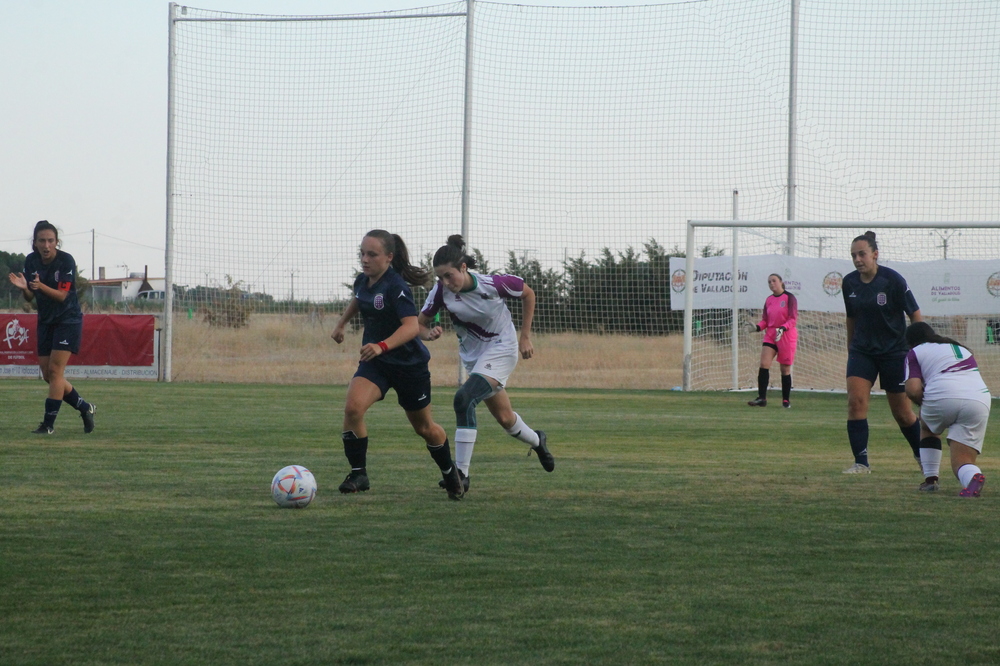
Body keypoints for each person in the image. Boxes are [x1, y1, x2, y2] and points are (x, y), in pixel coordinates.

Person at [330, 230, 464, 500]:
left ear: (389, 257)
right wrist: (341, 323)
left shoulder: (396, 286)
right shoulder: (362, 281)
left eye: (372, 254)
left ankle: (451, 473)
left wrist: (380, 345)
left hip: (409, 366)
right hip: (376, 363)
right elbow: (359, 298)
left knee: (424, 428)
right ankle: (359, 473)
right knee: (353, 409)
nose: (364, 259)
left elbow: (412, 326)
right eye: (362, 253)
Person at [417, 235, 553, 494]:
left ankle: (461, 475)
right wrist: (428, 334)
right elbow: (419, 324)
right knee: (505, 418)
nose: (445, 282)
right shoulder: (440, 292)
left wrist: (525, 336)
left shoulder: (494, 284)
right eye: (440, 278)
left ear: (464, 268)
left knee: (463, 399)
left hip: (502, 348)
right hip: (474, 358)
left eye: (449, 276)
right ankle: (538, 441)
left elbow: (528, 293)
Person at [841, 231, 923, 474]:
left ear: (875, 255)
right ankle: (861, 463)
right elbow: (851, 317)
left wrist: (918, 352)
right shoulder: (849, 282)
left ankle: (923, 457)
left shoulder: (893, 280)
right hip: (862, 352)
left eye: (862, 254)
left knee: (902, 413)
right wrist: (850, 347)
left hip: (894, 353)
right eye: (853, 255)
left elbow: (915, 315)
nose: (857, 259)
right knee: (856, 404)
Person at [7, 220, 96, 435]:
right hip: (46, 320)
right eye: (41, 241)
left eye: (50, 240)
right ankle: (85, 407)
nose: (46, 245)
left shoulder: (66, 261)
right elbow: (30, 295)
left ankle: (48, 425)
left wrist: (39, 286)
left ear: (57, 242)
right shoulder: (31, 261)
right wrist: (24, 289)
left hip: (68, 319)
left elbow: (62, 296)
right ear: (35, 243)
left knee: (56, 372)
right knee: (49, 375)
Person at [904, 322, 991, 496]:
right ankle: (973, 476)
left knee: (927, 426)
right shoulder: (961, 349)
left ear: (910, 342)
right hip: (979, 399)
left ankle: (930, 480)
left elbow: (912, 389)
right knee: (962, 460)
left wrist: (926, 405)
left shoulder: (915, 352)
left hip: (943, 393)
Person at [747, 273, 798, 408]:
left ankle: (786, 400)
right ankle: (762, 398)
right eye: (769, 282)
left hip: (786, 335)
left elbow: (792, 319)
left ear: (781, 282)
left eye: (774, 281)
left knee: (785, 369)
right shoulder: (769, 299)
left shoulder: (789, 298)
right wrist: (757, 327)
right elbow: (765, 320)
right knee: (764, 364)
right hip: (771, 334)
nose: (771, 284)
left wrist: (782, 328)